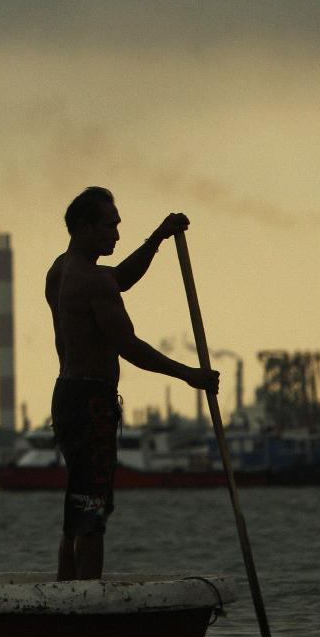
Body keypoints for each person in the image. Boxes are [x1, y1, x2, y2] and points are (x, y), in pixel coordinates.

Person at [45, 186, 219, 581]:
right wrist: (189, 375)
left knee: (78, 508)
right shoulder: (92, 281)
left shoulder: (61, 270)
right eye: (110, 227)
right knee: (91, 509)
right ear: (84, 227)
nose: (117, 235)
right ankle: (84, 605)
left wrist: (156, 239)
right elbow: (128, 346)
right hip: (92, 402)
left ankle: (67, 594)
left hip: (67, 395)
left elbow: (119, 278)